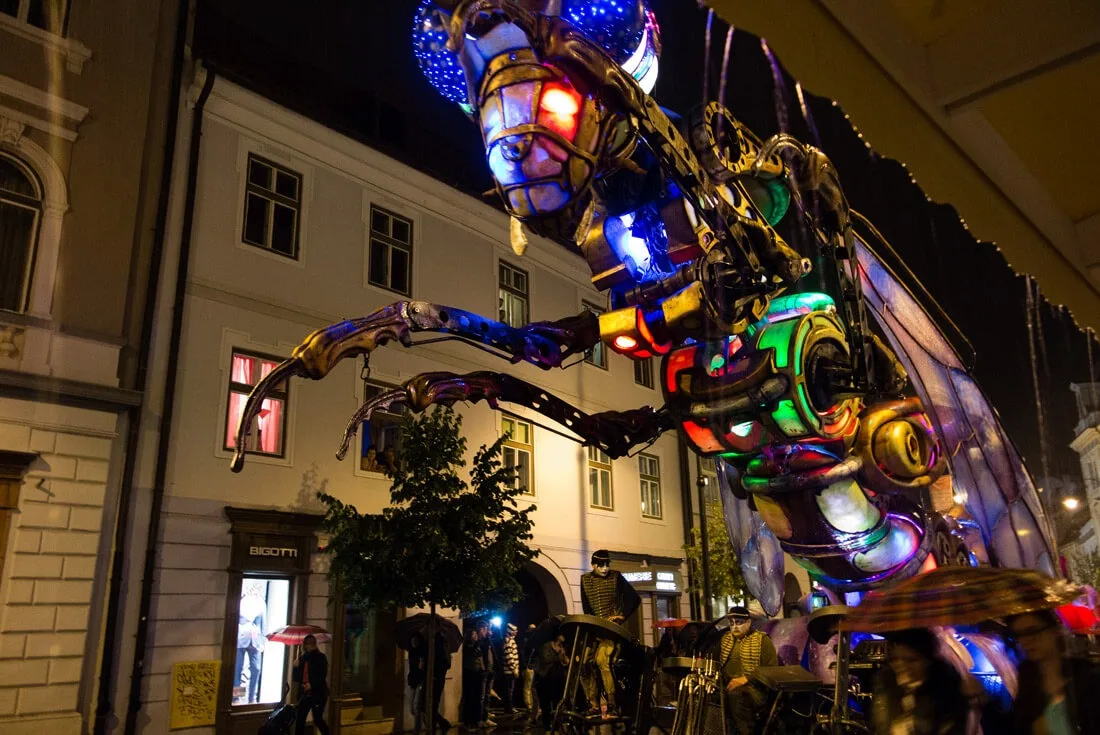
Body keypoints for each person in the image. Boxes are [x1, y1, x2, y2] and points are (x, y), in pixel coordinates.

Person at [1005, 610, 1100, 734]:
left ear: (1054, 630)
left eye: (1033, 631)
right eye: (1019, 635)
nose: (1026, 641)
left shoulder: (1088, 677)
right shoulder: (1027, 681)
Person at [869, 627, 969, 735]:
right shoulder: (885, 684)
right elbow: (880, 725)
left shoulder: (946, 690)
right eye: (895, 659)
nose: (900, 666)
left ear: (928, 661)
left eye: (911, 660)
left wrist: (912, 727)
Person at [579, 549, 641, 716]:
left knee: (602, 660)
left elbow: (635, 599)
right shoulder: (584, 580)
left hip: (613, 632)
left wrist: (622, 616)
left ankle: (612, 702)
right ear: (593, 565)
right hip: (595, 630)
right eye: (601, 565)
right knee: (584, 662)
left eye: (607, 565)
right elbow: (587, 608)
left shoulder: (616, 577)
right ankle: (592, 703)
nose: (605, 568)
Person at [718, 606, 777, 735]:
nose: (735, 627)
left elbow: (771, 669)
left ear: (748, 622)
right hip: (727, 686)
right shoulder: (725, 639)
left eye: (739, 622)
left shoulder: (762, 640)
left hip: (754, 689)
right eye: (732, 623)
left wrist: (744, 679)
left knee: (736, 697)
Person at [410, 630, 453, 734]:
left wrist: (433, 673)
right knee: (426, 707)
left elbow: (444, 664)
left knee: (429, 707)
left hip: (434, 679)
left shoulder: (438, 645)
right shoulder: (427, 646)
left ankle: (435, 727)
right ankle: (440, 725)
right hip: (427, 679)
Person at [235, 582, 267, 704]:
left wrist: (263, 640)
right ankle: (237, 696)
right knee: (239, 668)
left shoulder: (261, 603)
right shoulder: (241, 601)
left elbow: (264, 622)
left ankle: (252, 697)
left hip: (256, 639)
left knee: (256, 668)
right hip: (241, 638)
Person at [292, 634, 330, 735]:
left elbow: (322, 675)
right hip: (305, 694)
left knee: (317, 719)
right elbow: (296, 678)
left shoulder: (321, 657)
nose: (305, 648)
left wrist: (312, 685)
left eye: (307, 645)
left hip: (318, 694)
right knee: (300, 719)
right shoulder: (303, 658)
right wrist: (295, 667)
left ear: (311, 645)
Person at [535, 633, 569, 729]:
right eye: (562, 634)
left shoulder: (562, 647)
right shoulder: (546, 645)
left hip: (558, 677)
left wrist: (565, 659)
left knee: (557, 700)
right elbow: (546, 658)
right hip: (546, 678)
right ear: (557, 635)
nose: (564, 637)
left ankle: (556, 723)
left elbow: (564, 661)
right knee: (546, 702)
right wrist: (559, 656)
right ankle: (546, 724)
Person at [461, 627, 485, 729]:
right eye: (473, 635)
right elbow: (470, 654)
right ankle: (468, 721)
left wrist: (483, 669)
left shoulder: (478, 645)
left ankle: (477, 719)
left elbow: (480, 658)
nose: (475, 636)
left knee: (478, 697)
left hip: (478, 673)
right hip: (470, 673)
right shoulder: (467, 646)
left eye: (475, 634)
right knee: (469, 698)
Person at [520, 623, 539, 723]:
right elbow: (525, 653)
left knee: (529, 688)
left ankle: (531, 708)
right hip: (530, 666)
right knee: (530, 688)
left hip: (530, 667)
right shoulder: (530, 641)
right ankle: (531, 708)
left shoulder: (528, 640)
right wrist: (527, 665)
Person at [501, 623, 520, 714]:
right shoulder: (508, 641)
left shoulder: (511, 640)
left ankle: (510, 707)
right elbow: (509, 656)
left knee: (510, 690)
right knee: (509, 691)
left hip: (510, 670)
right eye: (514, 630)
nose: (516, 632)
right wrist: (514, 669)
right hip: (509, 671)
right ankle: (509, 708)